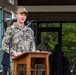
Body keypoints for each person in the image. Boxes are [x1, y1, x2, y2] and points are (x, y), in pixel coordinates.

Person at [2, 7, 36, 75]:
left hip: (26, 63)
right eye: (21, 14)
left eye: (25, 15)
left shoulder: (29, 31)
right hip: (14, 63)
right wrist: (14, 53)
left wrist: (32, 53)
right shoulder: (11, 29)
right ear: (17, 15)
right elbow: (4, 45)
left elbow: (32, 45)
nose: (23, 17)